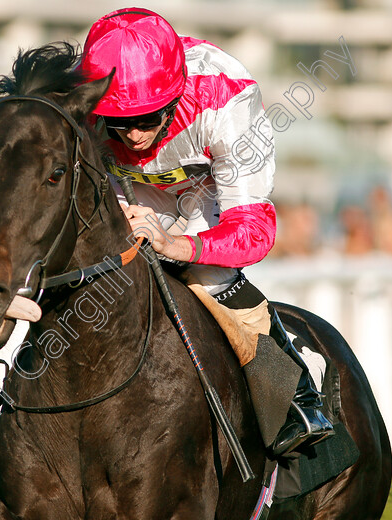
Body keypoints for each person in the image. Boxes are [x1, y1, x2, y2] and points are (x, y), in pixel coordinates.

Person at [80, 7, 334, 457]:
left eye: (147, 118)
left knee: (206, 275)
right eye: (120, 121)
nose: (134, 134)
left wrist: (174, 243)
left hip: (205, 190)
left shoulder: (226, 97)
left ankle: (295, 395)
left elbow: (253, 230)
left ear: (173, 97)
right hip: (122, 184)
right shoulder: (85, 100)